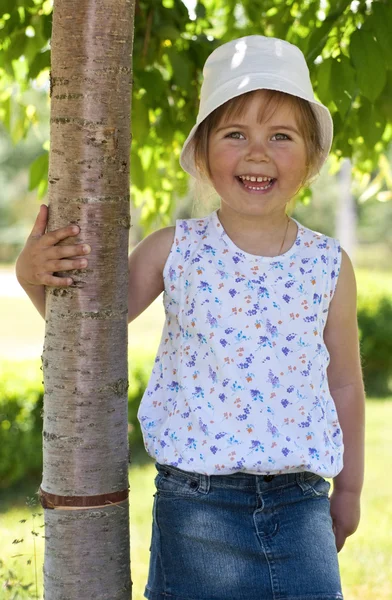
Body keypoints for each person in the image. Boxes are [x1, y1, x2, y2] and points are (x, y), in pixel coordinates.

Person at [16, 36, 365, 600]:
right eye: (235, 135)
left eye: (281, 136)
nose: (258, 153)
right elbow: (90, 333)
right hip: (195, 507)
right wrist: (31, 273)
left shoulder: (329, 264)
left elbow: (345, 381)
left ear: (312, 157)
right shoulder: (174, 248)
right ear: (202, 153)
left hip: (302, 503)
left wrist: (348, 491)